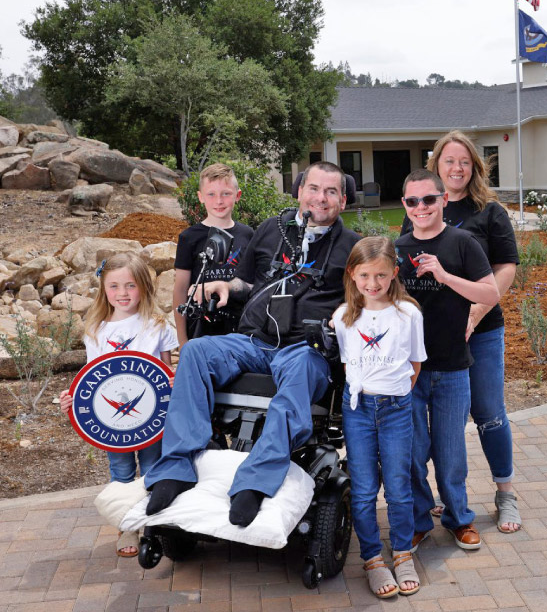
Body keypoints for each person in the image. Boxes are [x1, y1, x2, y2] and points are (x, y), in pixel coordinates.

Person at [144, 161, 360, 527]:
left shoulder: (353, 248)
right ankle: (177, 468)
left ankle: (255, 482)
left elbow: (367, 297)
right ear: (299, 191)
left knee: (303, 367)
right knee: (196, 351)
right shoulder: (270, 231)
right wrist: (227, 286)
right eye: (313, 189)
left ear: (342, 200)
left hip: (305, 350)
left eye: (331, 192)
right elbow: (246, 283)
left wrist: (346, 309)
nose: (320, 198)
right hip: (253, 341)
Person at [403, 131, 522, 533]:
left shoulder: (489, 212)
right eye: (449, 161)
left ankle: (506, 494)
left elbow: (506, 267)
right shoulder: (419, 208)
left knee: (488, 414)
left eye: (464, 162)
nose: (457, 168)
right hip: (435, 341)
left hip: (482, 329)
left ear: (475, 168)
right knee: (436, 425)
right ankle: (447, 499)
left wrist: (474, 312)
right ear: (436, 167)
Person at [395, 169, 500, 551]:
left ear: (442, 200)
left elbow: (490, 295)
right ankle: (421, 519)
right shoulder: (398, 248)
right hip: (408, 370)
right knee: (412, 451)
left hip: (452, 366)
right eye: (412, 201)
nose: (420, 207)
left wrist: (444, 275)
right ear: (405, 205)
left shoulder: (462, 243)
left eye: (428, 200)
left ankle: (458, 518)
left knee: (451, 451)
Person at [59, 252, 178, 557]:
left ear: (144, 287)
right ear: (104, 290)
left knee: (153, 467)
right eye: (114, 286)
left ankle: (153, 525)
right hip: (113, 421)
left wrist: (175, 382)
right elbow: (91, 379)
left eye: (130, 285)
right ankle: (127, 526)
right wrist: (73, 400)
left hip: (151, 418)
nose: (122, 293)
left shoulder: (157, 324)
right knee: (121, 471)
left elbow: (167, 371)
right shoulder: (96, 330)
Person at [331, 237, 426, 598]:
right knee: (365, 488)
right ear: (353, 274)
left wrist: (395, 393)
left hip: (396, 410)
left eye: (381, 276)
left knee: (399, 487)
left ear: (394, 274)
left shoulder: (408, 314)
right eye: (366, 275)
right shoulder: (344, 317)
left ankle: (402, 553)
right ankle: (372, 557)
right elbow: (346, 363)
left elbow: (415, 364)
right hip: (358, 411)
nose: (373, 283)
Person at [173, 163, 254, 348]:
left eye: (226, 193)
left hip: (239, 328)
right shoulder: (189, 237)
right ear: (201, 197)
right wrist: (182, 340)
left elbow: (252, 281)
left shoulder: (248, 234)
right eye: (211, 194)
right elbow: (180, 290)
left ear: (237, 195)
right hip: (200, 329)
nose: (219, 201)